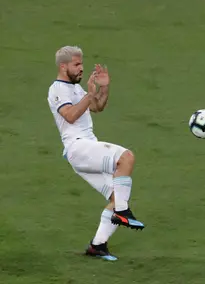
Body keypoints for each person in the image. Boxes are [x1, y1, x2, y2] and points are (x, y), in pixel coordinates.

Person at [47, 45, 144, 261]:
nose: (82, 68)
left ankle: (97, 246)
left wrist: (104, 89)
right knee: (126, 157)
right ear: (63, 66)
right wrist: (88, 95)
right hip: (77, 147)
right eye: (77, 64)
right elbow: (70, 116)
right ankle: (122, 211)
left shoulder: (75, 89)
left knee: (115, 195)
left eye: (82, 63)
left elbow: (97, 106)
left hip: (86, 147)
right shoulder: (57, 90)